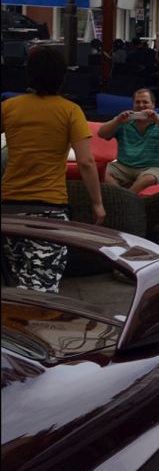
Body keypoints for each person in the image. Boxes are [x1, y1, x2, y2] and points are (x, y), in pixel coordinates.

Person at [1, 47, 105, 293]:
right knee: (41, 291)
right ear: (62, 77)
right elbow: (86, 162)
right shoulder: (70, 110)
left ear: (30, 75)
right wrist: (97, 203)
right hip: (48, 209)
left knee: (18, 287)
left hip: (9, 209)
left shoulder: (9, 107)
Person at [98, 88, 159, 194]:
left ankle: (125, 199)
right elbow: (101, 134)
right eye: (138, 102)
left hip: (154, 167)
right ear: (133, 104)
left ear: (153, 105)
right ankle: (122, 197)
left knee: (148, 179)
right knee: (99, 173)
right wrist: (117, 120)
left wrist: (156, 120)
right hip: (123, 165)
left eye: (145, 102)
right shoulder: (124, 120)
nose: (141, 105)